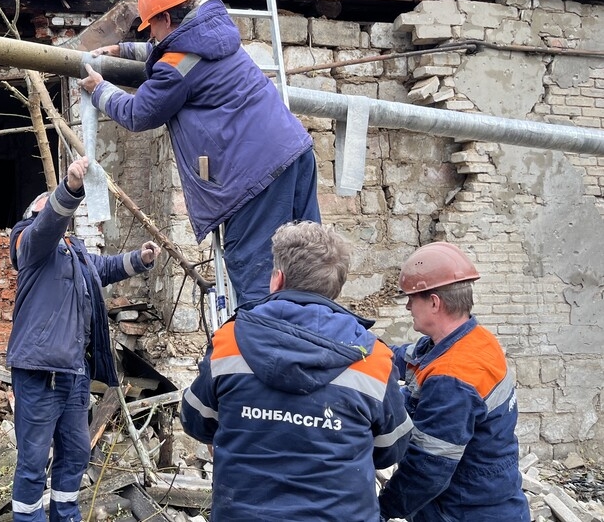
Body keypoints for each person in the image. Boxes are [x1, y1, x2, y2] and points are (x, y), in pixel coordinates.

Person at [78, 0, 321, 305]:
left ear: (165, 17)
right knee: (307, 263)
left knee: (259, 276)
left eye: (152, 26)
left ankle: (267, 352)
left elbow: (138, 114)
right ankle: (318, 342)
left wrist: (99, 89)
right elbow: (167, 49)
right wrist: (122, 49)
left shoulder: (177, 66)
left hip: (256, 176)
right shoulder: (215, 35)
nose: (151, 35)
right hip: (295, 151)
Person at [180, 220, 412, 521]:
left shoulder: (230, 342)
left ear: (277, 279)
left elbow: (196, 420)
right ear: (336, 288)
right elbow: (391, 448)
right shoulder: (374, 358)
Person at [7, 156, 161, 522]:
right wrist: (70, 187)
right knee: (33, 461)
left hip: (73, 376)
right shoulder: (28, 243)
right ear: (35, 216)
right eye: (52, 210)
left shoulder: (74, 254)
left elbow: (103, 268)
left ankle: (66, 516)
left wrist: (139, 258)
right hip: (39, 373)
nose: (60, 217)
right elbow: (46, 226)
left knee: (75, 455)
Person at [378, 242, 529, 522]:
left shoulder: (453, 378)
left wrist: (381, 509)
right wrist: (362, 347)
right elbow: (403, 357)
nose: (409, 305)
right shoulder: (472, 340)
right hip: (492, 497)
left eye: (413, 298)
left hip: (464, 511)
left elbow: (427, 468)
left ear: (435, 302)